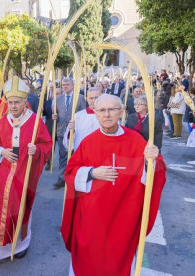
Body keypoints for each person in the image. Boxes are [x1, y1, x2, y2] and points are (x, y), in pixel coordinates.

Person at [61, 94, 166, 276]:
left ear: (121, 112)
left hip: (124, 215)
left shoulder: (136, 141)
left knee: (118, 261)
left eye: (112, 109)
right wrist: (93, 173)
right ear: (96, 113)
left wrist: (151, 159)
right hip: (91, 217)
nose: (107, 114)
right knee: (88, 259)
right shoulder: (88, 142)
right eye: (102, 110)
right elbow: (70, 172)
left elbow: (156, 175)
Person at [0, 76, 52, 261]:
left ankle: (20, 245)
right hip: (3, 173)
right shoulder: (3, 121)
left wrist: (36, 149)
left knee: (20, 208)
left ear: (25, 103)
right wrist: (1, 152)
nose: (12, 106)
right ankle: (1, 243)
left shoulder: (35, 121)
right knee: (1, 208)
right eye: (10, 102)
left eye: (16, 102)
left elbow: (46, 145)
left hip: (24, 174)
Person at [54, 77, 87, 189]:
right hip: (61, 131)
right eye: (63, 84)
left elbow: (84, 114)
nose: (65, 86)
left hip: (75, 132)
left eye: (67, 84)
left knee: (74, 155)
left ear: (73, 86)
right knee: (62, 155)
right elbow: (56, 113)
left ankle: (74, 177)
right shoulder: (58, 98)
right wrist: (54, 117)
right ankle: (61, 178)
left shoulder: (80, 98)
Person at [63, 87, 102, 151]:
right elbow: (68, 142)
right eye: (91, 98)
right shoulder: (78, 116)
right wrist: (71, 131)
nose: (94, 101)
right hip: (82, 151)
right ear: (87, 99)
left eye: (96, 98)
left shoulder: (107, 116)